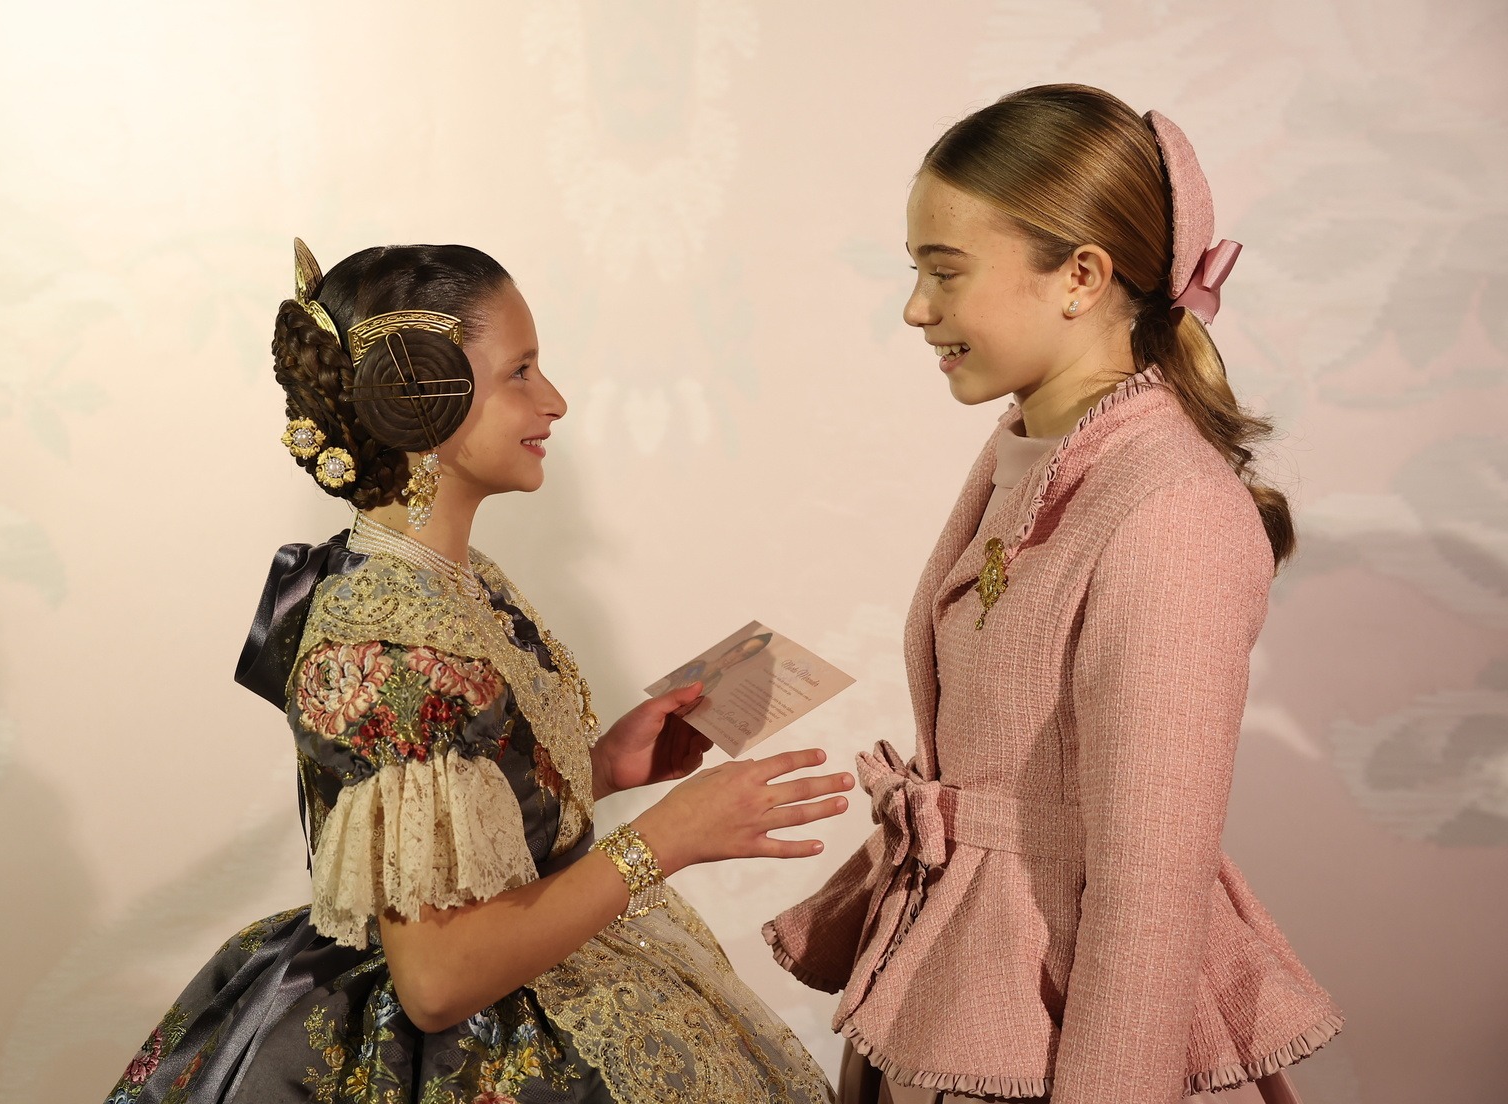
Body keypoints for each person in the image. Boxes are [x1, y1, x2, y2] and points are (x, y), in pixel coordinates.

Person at [106, 240, 852, 1104]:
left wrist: (599, 769)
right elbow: (437, 981)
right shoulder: (387, 642)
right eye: (521, 372)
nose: (554, 400)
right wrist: (665, 839)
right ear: (421, 395)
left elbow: (464, 827)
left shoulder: (443, 583)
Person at [763, 86, 1341, 1104]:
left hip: (1055, 1039)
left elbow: (1149, 892)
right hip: (955, 996)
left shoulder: (1170, 510)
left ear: (1081, 276)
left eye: (945, 271)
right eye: (915, 272)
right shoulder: (1029, 450)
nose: (917, 308)